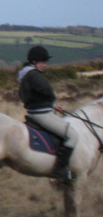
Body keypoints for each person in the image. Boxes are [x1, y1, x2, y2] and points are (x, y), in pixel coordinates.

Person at [17, 45, 78, 181]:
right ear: (34, 62)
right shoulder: (34, 75)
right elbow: (47, 91)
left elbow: (35, 96)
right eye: (43, 62)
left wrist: (51, 105)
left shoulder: (25, 75)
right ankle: (60, 170)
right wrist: (51, 101)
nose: (45, 65)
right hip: (41, 115)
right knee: (73, 136)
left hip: (35, 112)